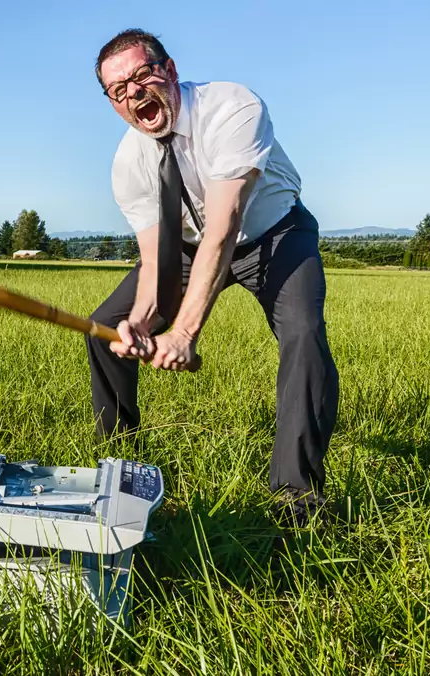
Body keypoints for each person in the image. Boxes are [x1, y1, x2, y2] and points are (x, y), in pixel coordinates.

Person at [86, 29, 339, 526]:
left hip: (274, 234)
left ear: (171, 70)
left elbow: (223, 228)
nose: (134, 92)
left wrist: (183, 332)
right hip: (184, 249)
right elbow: (157, 260)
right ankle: (122, 475)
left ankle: (297, 497)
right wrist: (142, 321)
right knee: (108, 329)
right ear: (113, 102)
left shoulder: (230, 108)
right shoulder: (128, 162)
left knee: (304, 336)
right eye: (119, 89)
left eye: (143, 75)